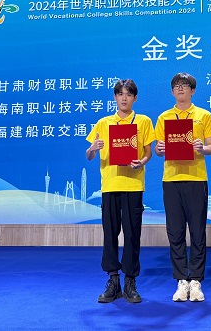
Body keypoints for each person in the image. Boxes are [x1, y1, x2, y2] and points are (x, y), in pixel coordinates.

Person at [86, 79, 154, 304]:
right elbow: (89, 155)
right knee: (110, 233)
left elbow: (148, 153)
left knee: (133, 234)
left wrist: (141, 162)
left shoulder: (143, 121)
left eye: (128, 94)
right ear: (115, 97)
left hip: (133, 185)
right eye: (120, 94)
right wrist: (92, 149)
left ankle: (130, 281)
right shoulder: (103, 123)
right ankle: (113, 280)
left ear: (135, 98)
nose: (124, 98)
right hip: (110, 185)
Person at [154, 72, 211, 302]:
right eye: (176, 86)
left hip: (196, 178)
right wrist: (159, 149)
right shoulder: (164, 117)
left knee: (198, 231)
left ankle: (196, 280)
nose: (180, 89)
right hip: (171, 179)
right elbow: (158, 149)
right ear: (172, 91)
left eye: (185, 85)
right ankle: (181, 279)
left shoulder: (204, 115)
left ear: (193, 90)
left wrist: (202, 148)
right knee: (175, 231)